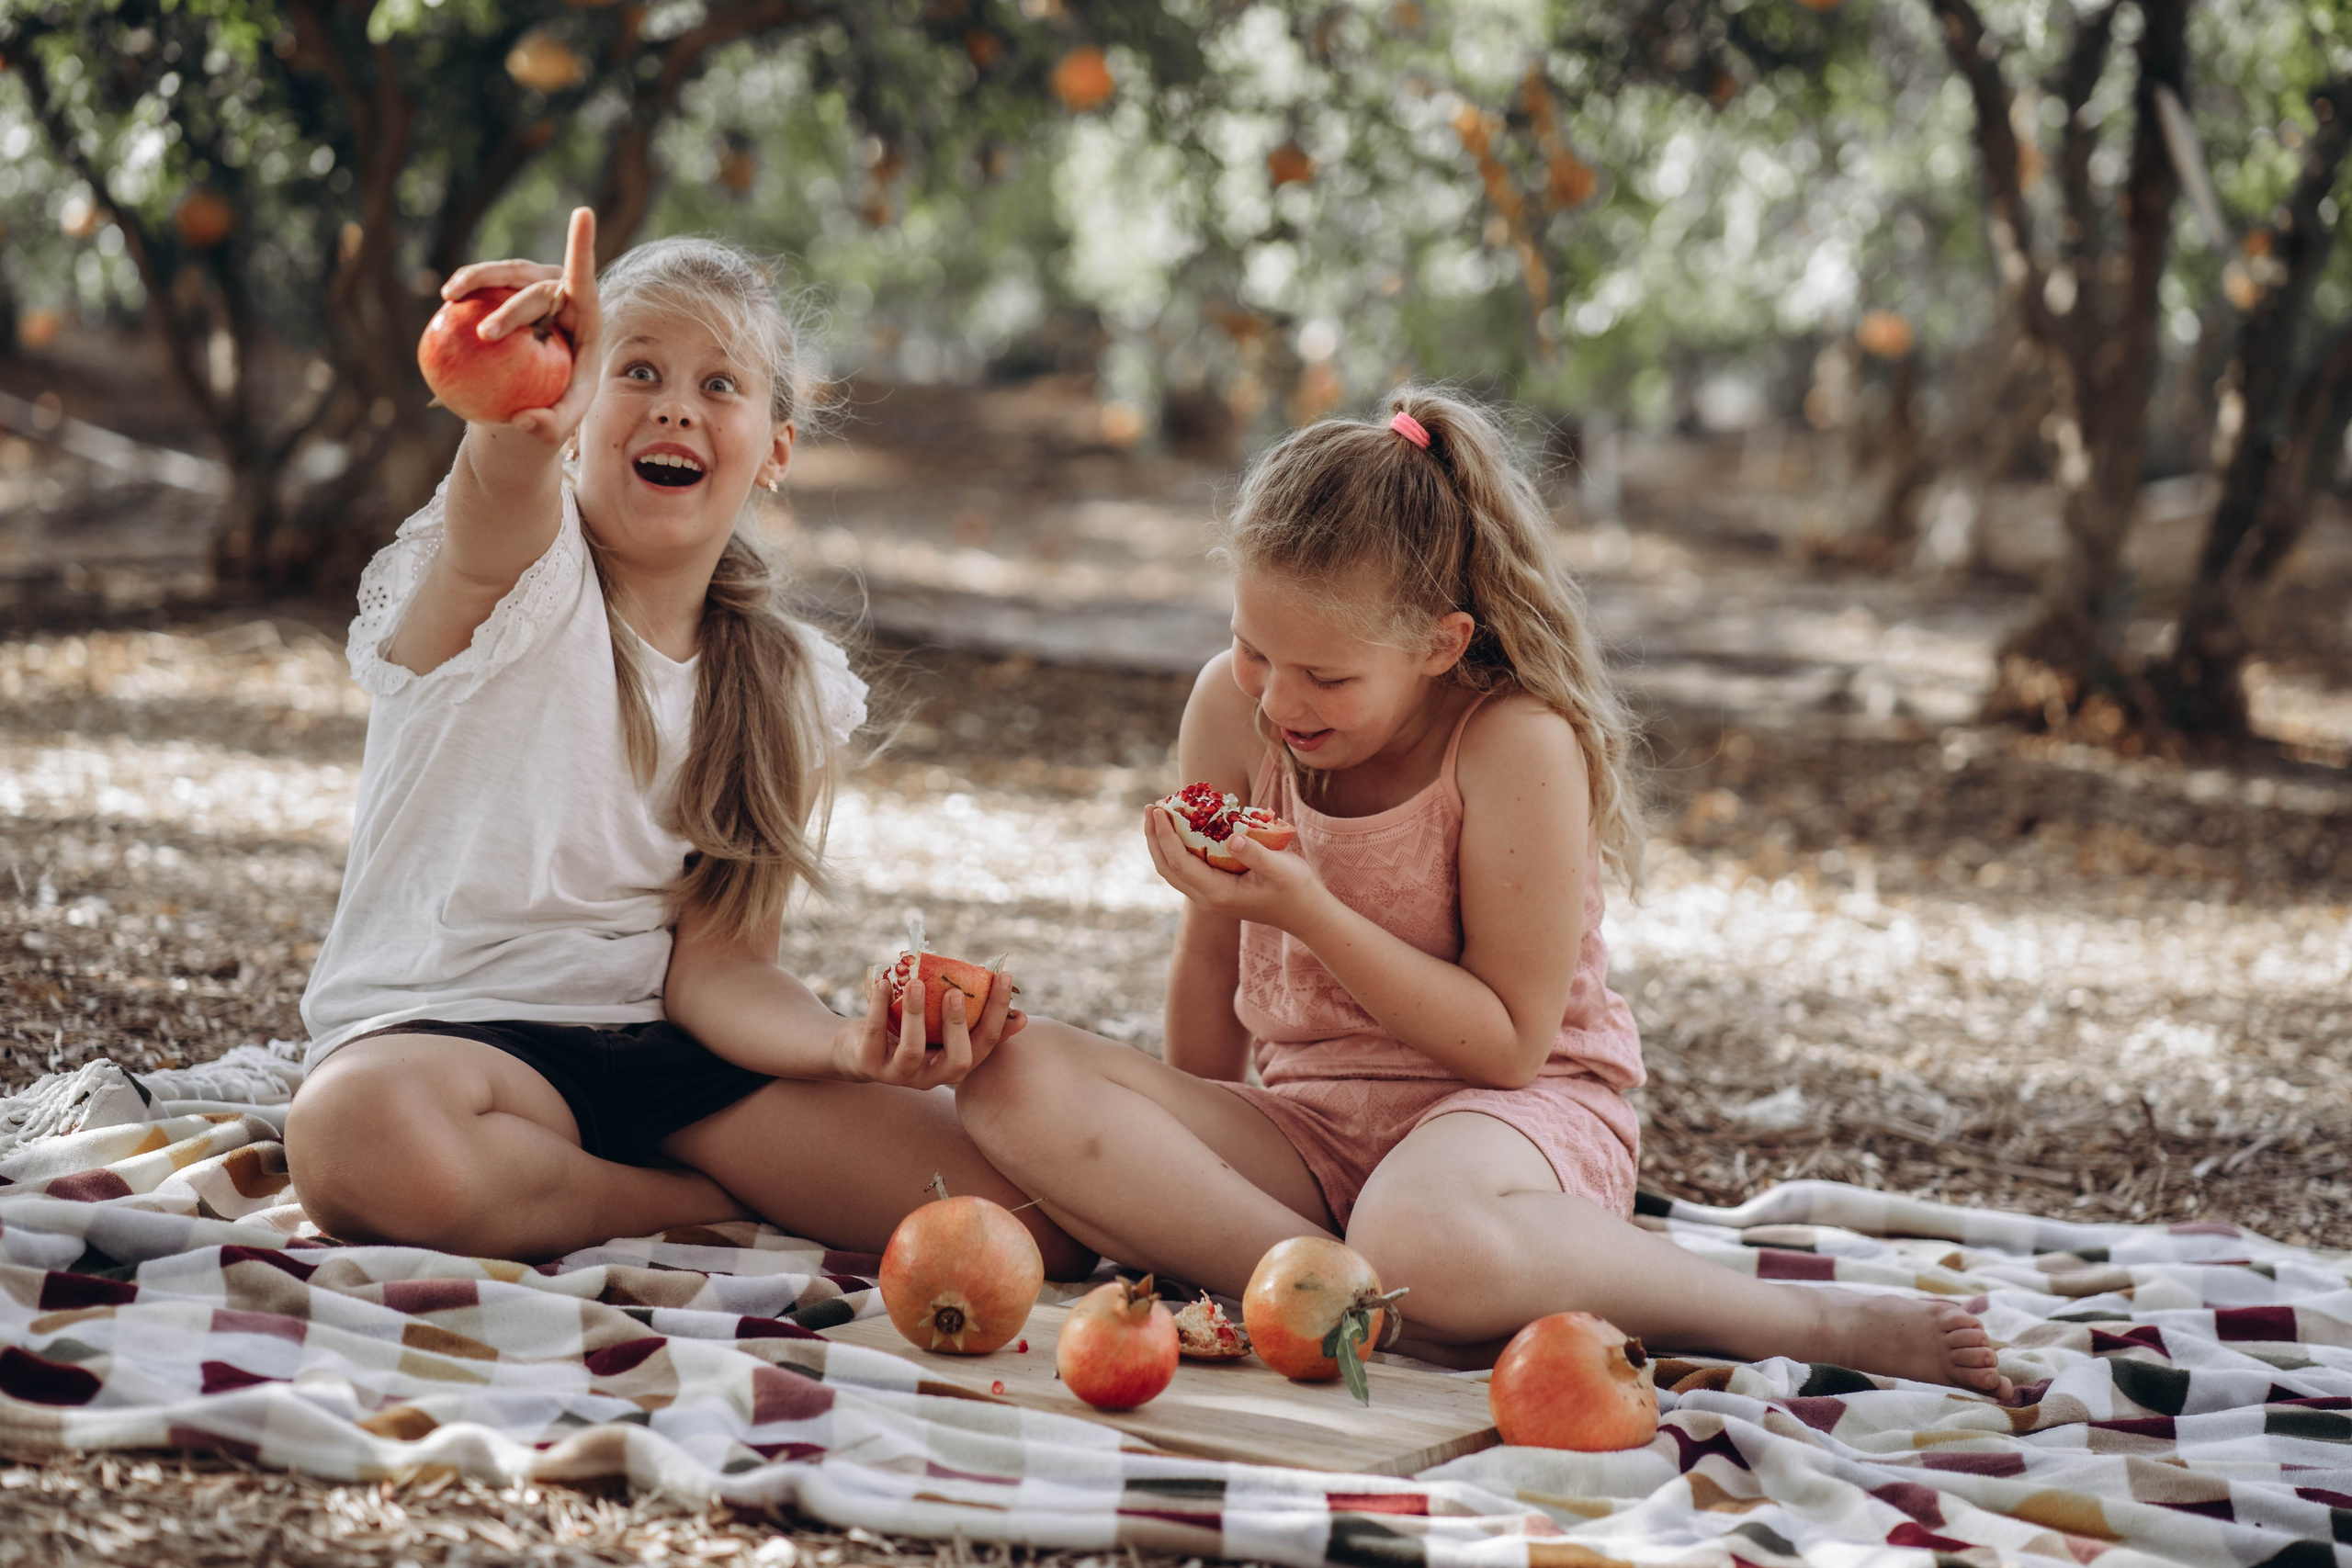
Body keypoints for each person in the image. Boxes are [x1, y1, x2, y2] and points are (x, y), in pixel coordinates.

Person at [957, 391, 2007, 1393]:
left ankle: (1789, 1318)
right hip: (1311, 1126)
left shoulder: (1514, 745)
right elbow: (1206, 956)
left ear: (1438, 645)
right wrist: (1184, 1177)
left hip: (1511, 1122)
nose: (1277, 699)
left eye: (1325, 677)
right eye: (1251, 649)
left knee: (1418, 1237)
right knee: (1015, 1073)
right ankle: (1338, 1293)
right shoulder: (1229, 713)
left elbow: (1508, 1041)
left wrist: (1305, 908)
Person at [288, 210, 1086, 1276]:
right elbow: (498, 499)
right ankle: (682, 1207)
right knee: (356, 1141)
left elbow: (717, 969)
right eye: (639, 371)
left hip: (665, 1063)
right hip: (450, 1045)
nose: (676, 404)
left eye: (720, 386)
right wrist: (513, 414)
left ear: (774, 450)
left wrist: (840, 1045)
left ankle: (613, 1184)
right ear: (579, 412)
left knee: (1029, 1220)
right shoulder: (524, 578)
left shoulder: (782, 680)